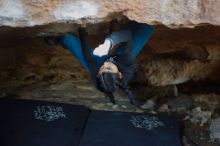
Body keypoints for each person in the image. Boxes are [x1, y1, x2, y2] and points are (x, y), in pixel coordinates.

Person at [47, 19, 154, 105]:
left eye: (103, 69)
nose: (106, 64)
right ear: (119, 74)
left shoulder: (96, 69)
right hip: (120, 56)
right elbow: (127, 37)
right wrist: (111, 41)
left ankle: (59, 40)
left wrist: (82, 27)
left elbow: (87, 52)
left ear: (98, 73)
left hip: (97, 62)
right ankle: (121, 25)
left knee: (69, 40)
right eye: (109, 68)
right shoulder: (127, 63)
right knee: (147, 28)